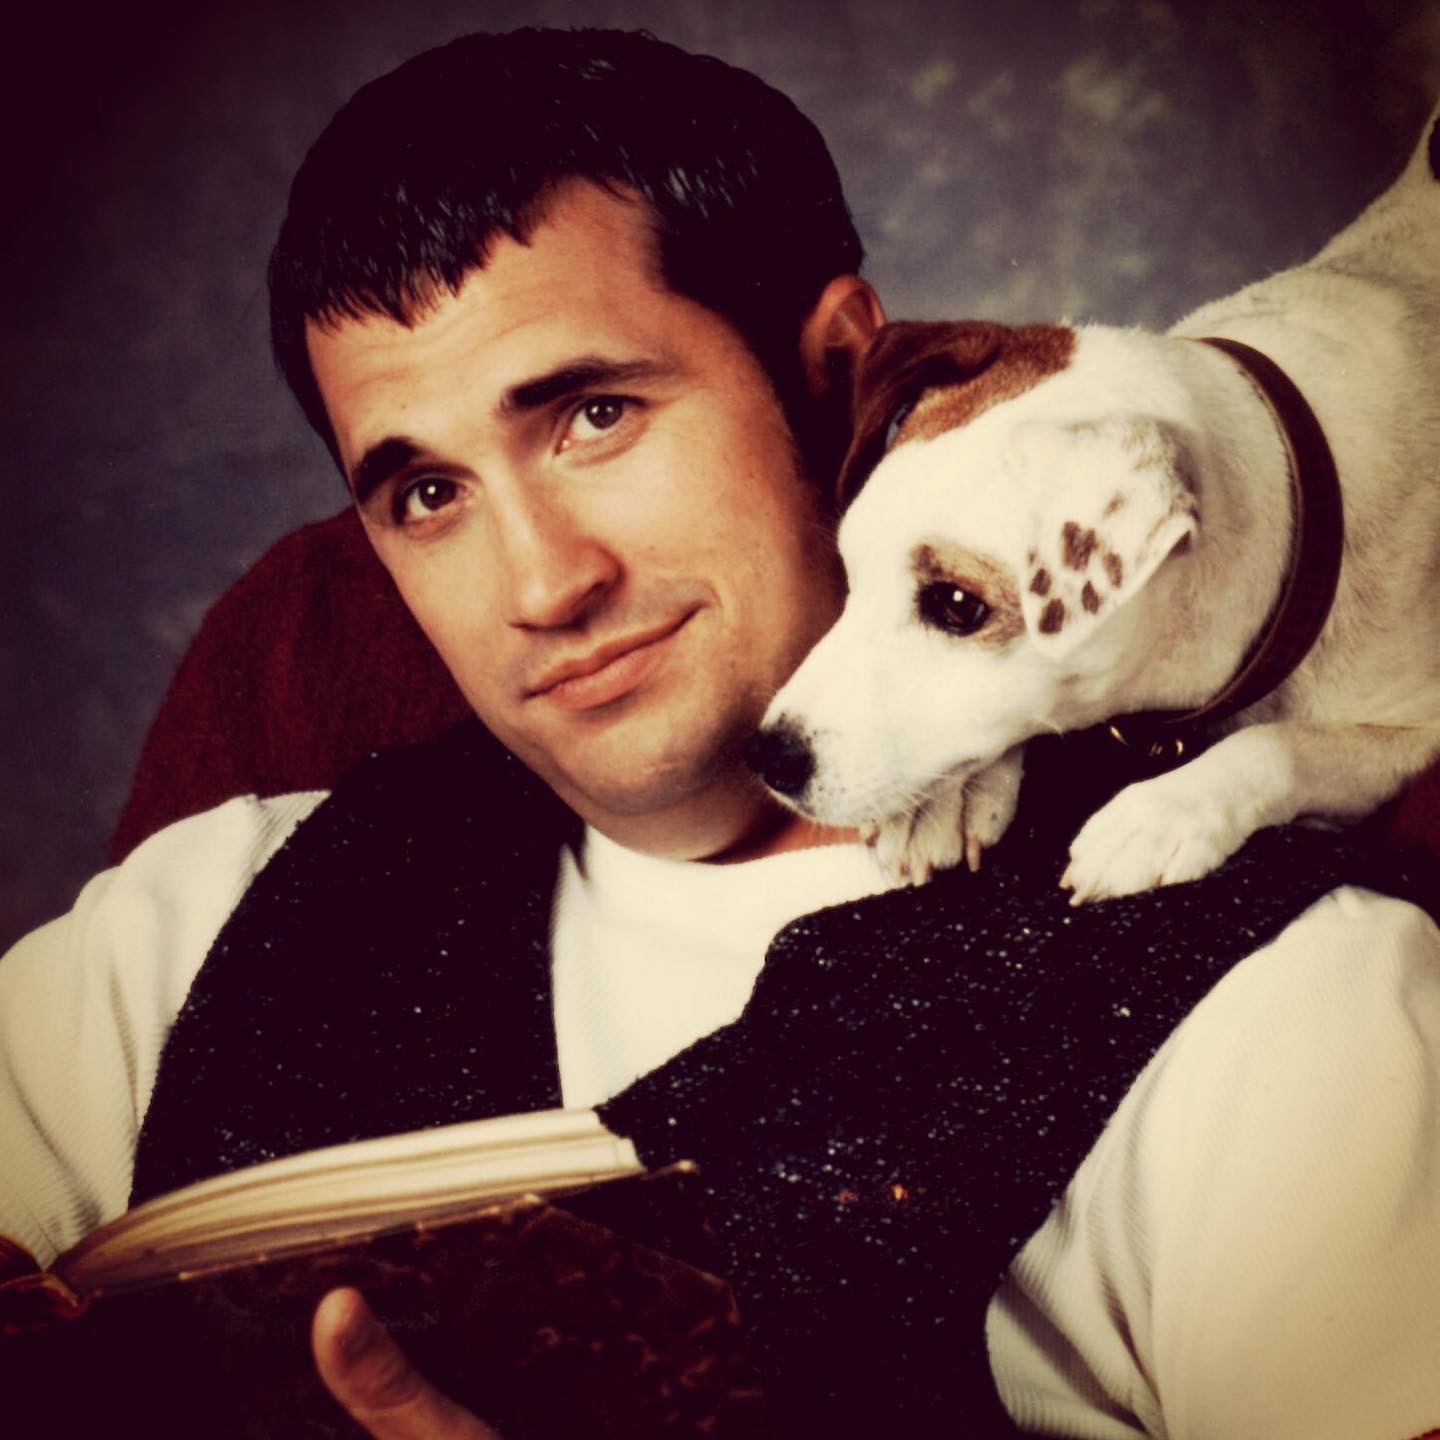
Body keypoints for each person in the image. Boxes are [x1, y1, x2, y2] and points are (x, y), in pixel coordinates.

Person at [2, 27, 1439, 1439]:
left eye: (595, 415)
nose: (543, 584)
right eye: (426, 496)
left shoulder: (1282, 1014)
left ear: (832, 373)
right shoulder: (190, 925)